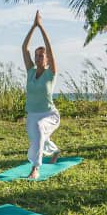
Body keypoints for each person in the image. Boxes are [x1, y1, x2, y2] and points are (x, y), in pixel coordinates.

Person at [21, 10, 62, 179]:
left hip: (49, 115)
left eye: (41, 56)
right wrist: (33, 26)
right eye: (37, 56)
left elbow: (50, 49)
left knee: (39, 132)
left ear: (46, 60)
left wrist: (41, 26)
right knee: (38, 140)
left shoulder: (50, 73)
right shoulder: (30, 71)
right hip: (32, 114)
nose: (38, 58)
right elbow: (24, 48)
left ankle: (35, 168)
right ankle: (55, 151)